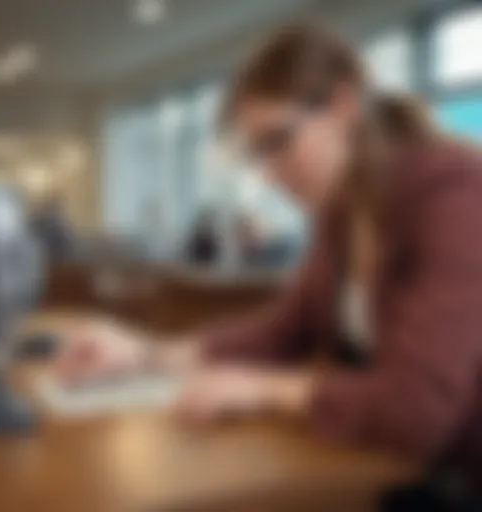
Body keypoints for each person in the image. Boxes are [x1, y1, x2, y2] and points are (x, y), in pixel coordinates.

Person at [56, 23, 482, 496]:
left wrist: (267, 389)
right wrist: (141, 355)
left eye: (279, 141)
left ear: (343, 107)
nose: (271, 173)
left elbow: (417, 410)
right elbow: (278, 333)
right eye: (259, 153)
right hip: (402, 470)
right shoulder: (343, 212)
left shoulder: (455, 195)